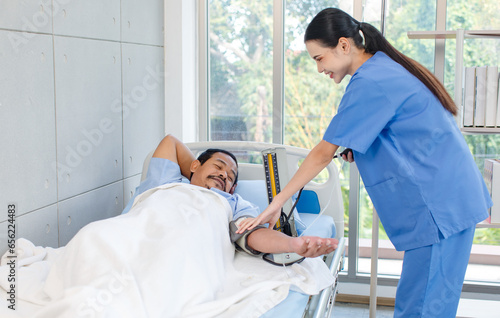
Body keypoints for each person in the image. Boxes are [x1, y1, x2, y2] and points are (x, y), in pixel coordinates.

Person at [237, 7, 492, 318]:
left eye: (319, 58)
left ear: (344, 45)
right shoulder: (383, 69)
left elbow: (322, 152)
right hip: (450, 198)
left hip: (439, 206)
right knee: (428, 302)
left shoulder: (370, 81)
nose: (319, 68)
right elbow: (400, 134)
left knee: (422, 307)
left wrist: (278, 201)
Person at [122, 134, 338, 259]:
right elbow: (170, 142)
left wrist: (293, 245)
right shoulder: (166, 181)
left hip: (178, 249)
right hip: (132, 236)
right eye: (218, 166)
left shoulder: (233, 203)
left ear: (233, 189)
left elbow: (254, 234)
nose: (224, 174)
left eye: (230, 176)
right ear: (194, 166)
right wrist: (197, 174)